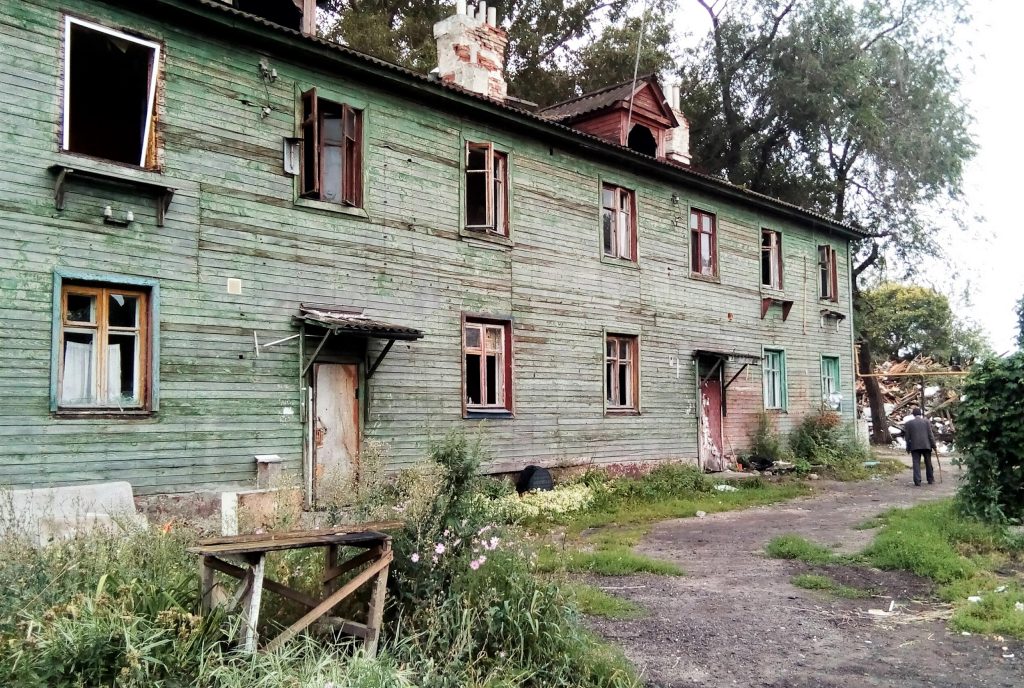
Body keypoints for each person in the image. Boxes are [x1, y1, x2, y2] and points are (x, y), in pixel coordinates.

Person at [904, 407, 937, 486]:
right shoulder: (926, 422)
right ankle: (930, 479)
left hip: (914, 446)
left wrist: (908, 447)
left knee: (916, 463)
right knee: (928, 462)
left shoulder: (908, 424)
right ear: (921, 414)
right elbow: (930, 435)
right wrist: (934, 445)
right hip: (926, 445)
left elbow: (907, 437)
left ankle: (917, 481)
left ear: (913, 414)